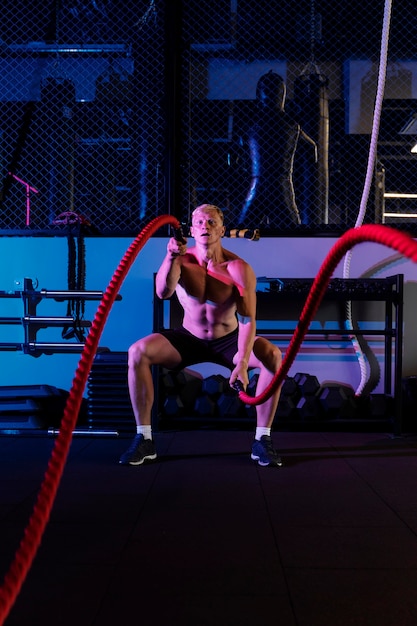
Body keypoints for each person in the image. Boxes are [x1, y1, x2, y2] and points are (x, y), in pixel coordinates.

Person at [119, 203, 283, 467]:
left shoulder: (238, 268)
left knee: (273, 356)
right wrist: (171, 256)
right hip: (189, 338)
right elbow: (163, 292)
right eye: (199, 222)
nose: (205, 226)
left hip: (229, 340)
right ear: (191, 230)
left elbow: (246, 319)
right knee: (137, 352)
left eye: (211, 222)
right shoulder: (181, 260)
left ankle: (262, 440)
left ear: (222, 229)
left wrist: (241, 363)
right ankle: (144, 439)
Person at [238, 70, 317, 229]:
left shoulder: (251, 124)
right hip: (281, 184)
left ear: (260, 95)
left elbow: (238, 147)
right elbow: (311, 147)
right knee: (292, 230)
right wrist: (311, 169)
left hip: (258, 182)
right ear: (281, 95)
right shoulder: (291, 125)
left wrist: (243, 162)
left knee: (242, 229)